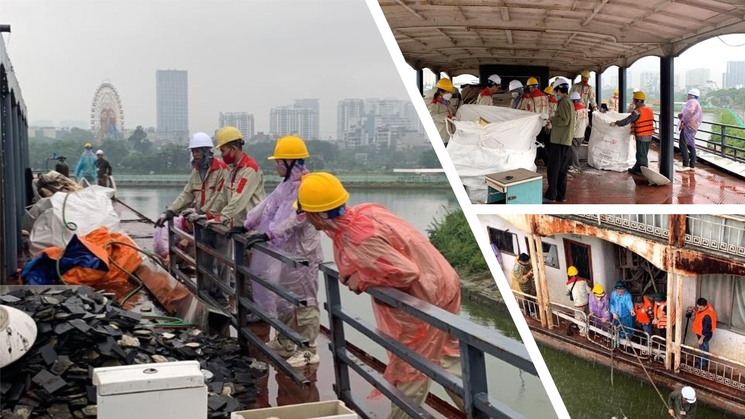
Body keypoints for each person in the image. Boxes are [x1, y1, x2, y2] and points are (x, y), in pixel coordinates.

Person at [293, 172, 464, 419]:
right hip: (443, 281)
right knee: (449, 359)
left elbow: (405, 272)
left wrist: (362, 279)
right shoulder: (365, 211)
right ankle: (481, 410)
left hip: (426, 297)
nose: (306, 219)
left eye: (306, 213)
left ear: (317, 215)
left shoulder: (358, 238)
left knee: (411, 368)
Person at [226, 135, 324, 368]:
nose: (275, 165)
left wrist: (270, 234)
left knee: (304, 301)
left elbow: (297, 218)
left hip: (303, 254)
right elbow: (267, 206)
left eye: (279, 161)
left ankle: (308, 349)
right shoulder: (287, 184)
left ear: (290, 162)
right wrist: (248, 224)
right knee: (284, 298)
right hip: (286, 252)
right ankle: (285, 340)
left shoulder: (305, 186)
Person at [544, 77, 574, 203]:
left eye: (556, 91)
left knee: (553, 169)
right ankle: (561, 195)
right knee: (561, 170)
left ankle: (551, 195)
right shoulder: (568, 102)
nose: (555, 94)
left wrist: (551, 119)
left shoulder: (564, 102)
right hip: (565, 140)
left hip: (559, 141)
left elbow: (564, 120)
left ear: (559, 90)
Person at [611, 90, 654, 177]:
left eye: (634, 100)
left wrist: (617, 123)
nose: (633, 102)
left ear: (638, 101)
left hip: (642, 135)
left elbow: (628, 120)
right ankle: (637, 168)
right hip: (649, 134)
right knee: (643, 153)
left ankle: (642, 170)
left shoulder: (637, 112)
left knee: (641, 154)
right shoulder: (649, 109)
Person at [677, 88, 703, 172]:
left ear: (691, 95)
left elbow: (689, 111)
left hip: (688, 126)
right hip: (693, 127)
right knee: (691, 145)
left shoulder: (692, 102)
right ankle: (692, 165)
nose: (687, 96)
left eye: (688, 94)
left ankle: (685, 165)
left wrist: (683, 120)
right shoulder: (697, 103)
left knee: (683, 144)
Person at [428, 78, 456, 146]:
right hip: (442, 137)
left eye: (450, 92)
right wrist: (446, 117)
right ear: (441, 92)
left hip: (450, 135)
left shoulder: (448, 103)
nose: (450, 94)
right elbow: (432, 116)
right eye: (448, 92)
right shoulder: (434, 105)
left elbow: (453, 112)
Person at [690, 297, 716, 369]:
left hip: (704, 335)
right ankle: (705, 361)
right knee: (704, 348)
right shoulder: (706, 307)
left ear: (705, 306)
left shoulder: (707, 316)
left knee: (703, 349)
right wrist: (695, 310)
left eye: (700, 308)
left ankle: (702, 364)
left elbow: (706, 331)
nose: (698, 309)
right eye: (697, 307)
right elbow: (699, 313)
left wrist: (701, 339)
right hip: (701, 332)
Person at [565, 266, 591, 336]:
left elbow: (566, 293)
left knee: (579, 318)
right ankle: (587, 329)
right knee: (586, 316)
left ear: (569, 274)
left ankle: (583, 332)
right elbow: (589, 291)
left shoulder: (568, 284)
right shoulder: (583, 281)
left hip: (578, 304)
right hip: (586, 302)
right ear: (577, 272)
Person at [569, 92, 588, 174]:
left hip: (575, 134)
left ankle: (576, 167)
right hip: (582, 133)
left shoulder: (574, 109)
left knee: (574, 151)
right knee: (575, 150)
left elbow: (573, 123)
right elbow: (587, 122)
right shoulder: (584, 108)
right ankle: (573, 164)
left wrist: (570, 133)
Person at [512, 253, 537, 318]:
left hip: (531, 281)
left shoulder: (527, 262)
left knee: (533, 294)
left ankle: (533, 308)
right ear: (520, 261)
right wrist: (528, 274)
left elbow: (530, 266)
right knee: (527, 297)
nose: (527, 263)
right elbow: (520, 279)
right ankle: (527, 311)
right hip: (524, 284)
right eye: (526, 262)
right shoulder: (516, 268)